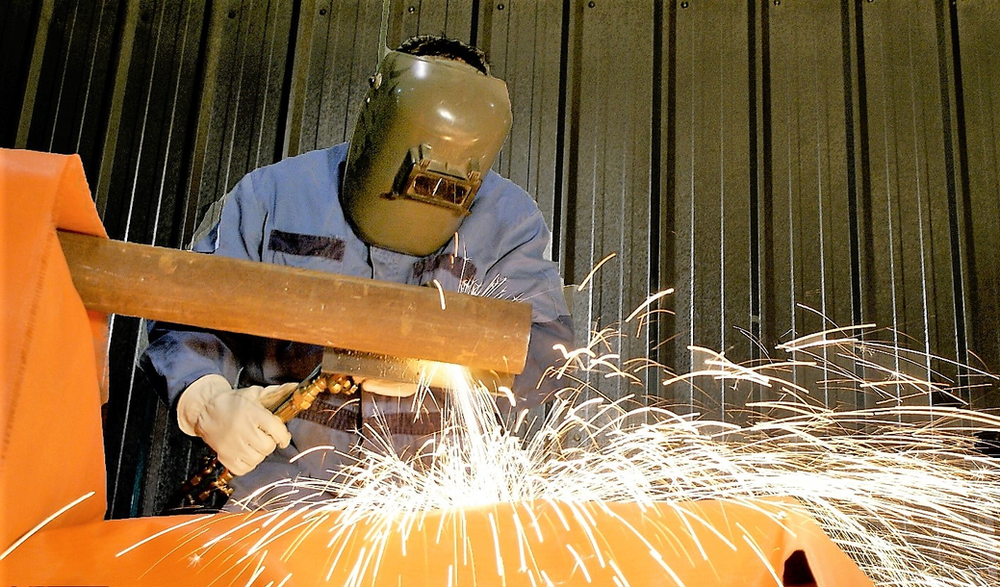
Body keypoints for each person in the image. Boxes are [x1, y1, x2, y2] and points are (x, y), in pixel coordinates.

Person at [140, 35, 572, 508]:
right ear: (381, 112)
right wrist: (206, 401)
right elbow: (188, 316)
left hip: (438, 499)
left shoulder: (509, 220)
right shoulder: (275, 195)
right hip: (283, 491)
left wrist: (431, 366)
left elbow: (545, 351)